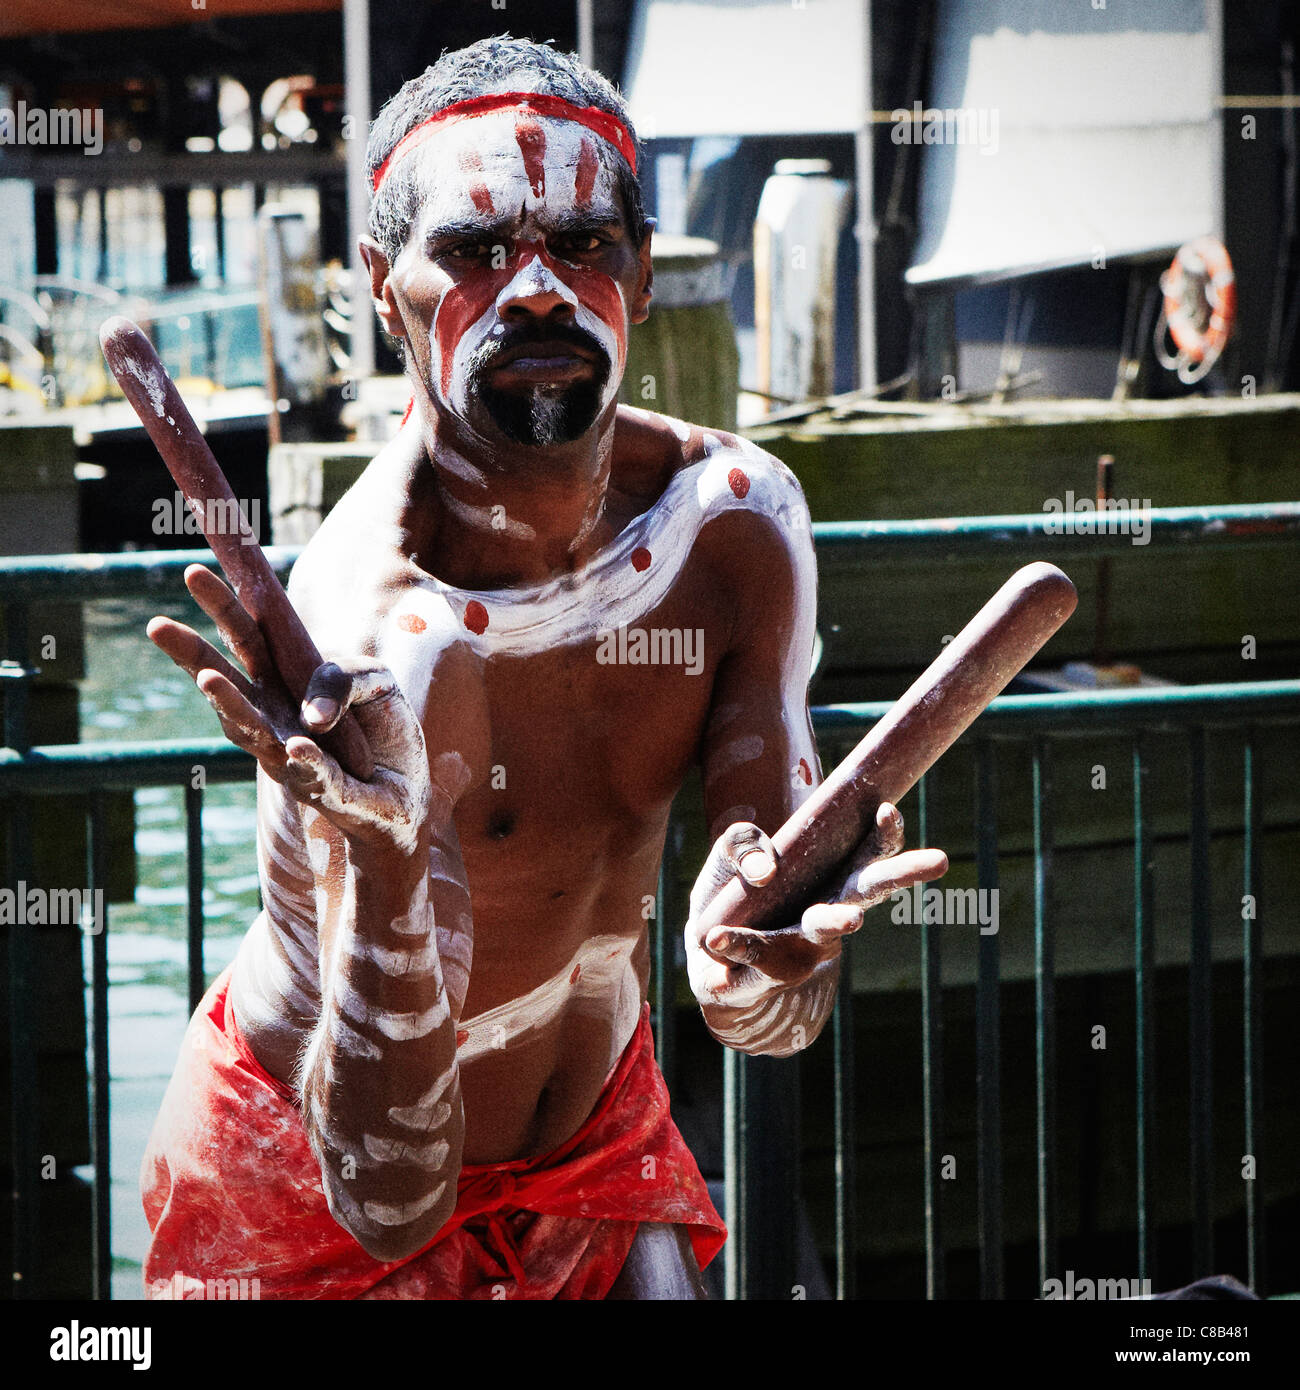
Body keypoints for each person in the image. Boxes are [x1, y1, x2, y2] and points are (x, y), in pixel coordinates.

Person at [139, 35, 949, 1301]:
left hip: (597, 1146)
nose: (536, 293)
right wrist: (395, 867)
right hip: (318, 1189)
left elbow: (764, 1005)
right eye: (473, 251)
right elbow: (389, 1200)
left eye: (582, 245)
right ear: (377, 283)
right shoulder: (373, 637)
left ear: (636, 267)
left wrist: (754, 956)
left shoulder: (729, 524)